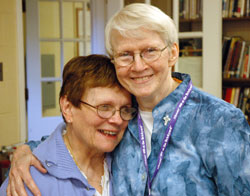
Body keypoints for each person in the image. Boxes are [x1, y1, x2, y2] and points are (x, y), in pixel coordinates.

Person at [4, 3, 250, 196]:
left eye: (149, 51)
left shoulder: (220, 121)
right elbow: (72, 138)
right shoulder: (121, 116)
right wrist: (24, 152)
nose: (138, 66)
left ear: (173, 53)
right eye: (125, 55)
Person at [0, 54, 137, 196]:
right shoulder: (27, 180)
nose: (118, 120)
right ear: (67, 108)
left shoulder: (129, 163)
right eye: (104, 107)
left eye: (125, 109)